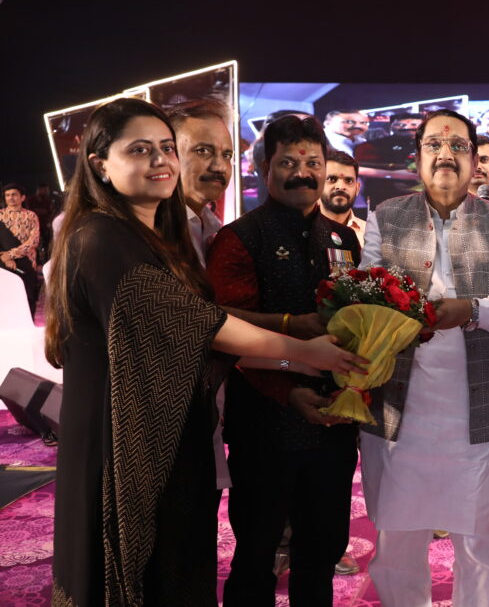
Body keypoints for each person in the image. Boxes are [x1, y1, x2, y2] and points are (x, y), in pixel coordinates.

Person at [44, 97, 366, 607]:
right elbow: (202, 325)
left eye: (166, 149)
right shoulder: (101, 234)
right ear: (100, 164)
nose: (161, 161)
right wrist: (303, 352)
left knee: (194, 564)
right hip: (128, 434)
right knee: (150, 569)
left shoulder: (171, 233)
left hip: (182, 429)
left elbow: (209, 339)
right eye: (141, 149)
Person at [359, 108, 489, 607]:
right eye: (434, 144)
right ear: (417, 159)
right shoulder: (386, 216)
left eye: (458, 145)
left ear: (476, 161)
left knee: (481, 540)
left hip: (477, 410)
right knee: (397, 538)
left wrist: (470, 310)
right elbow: (364, 298)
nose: (445, 154)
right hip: (400, 409)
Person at [206, 114, 363, 607]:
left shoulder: (342, 240)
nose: (303, 173)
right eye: (288, 162)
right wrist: (288, 377)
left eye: (312, 162)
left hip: (333, 423)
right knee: (256, 555)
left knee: (321, 553)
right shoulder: (239, 238)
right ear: (263, 168)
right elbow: (225, 328)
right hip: (264, 424)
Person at [167, 99, 234, 266]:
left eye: (226, 155)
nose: (220, 167)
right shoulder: (150, 231)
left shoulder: (212, 229)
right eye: (203, 151)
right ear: (169, 155)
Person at [353, 111, 423, 208]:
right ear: (391, 126)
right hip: (385, 197)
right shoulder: (371, 146)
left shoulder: (432, 144)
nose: (407, 127)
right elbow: (360, 169)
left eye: (414, 124)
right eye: (400, 125)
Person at [0, 182, 40, 315]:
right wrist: (5, 259)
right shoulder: (0, 216)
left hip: (27, 262)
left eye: (14, 195)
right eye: (7, 195)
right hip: (3, 264)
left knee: (28, 297)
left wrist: (11, 254)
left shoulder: (31, 216)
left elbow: (33, 240)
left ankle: (28, 325)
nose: (10, 198)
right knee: (6, 298)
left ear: (22, 197)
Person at [320, 148, 367, 246]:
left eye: (349, 181)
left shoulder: (372, 235)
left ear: (357, 188)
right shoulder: (299, 231)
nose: (341, 187)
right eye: (332, 179)